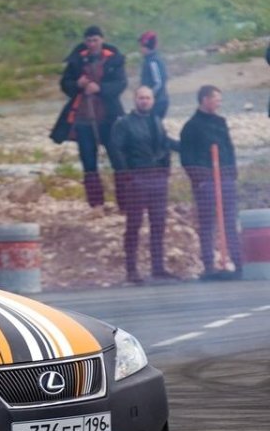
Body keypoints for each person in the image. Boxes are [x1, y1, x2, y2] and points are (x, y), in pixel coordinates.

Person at [51, 25, 127, 208]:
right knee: (89, 164)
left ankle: (125, 203)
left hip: (109, 118)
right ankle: (96, 205)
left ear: (102, 40)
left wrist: (100, 88)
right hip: (84, 118)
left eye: (95, 40)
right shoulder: (77, 60)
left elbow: (121, 84)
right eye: (89, 40)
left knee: (119, 161)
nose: (92, 43)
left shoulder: (114, 59)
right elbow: (65, 83)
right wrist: (78, 84)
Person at [111, 87, 177, 284]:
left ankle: (158, 267)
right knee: (134, 224)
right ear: (135, 100)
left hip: (157, 179)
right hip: (136, 178)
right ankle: (131, 269)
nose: (144, 101)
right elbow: (116, 150)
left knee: (158, 224)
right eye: (141, 98)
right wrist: (127, 175)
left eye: (148, 98)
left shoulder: (156, 121)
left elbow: (165, 146)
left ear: (153, 100)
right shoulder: (124, 123)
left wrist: (165, 170)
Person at [180, 85, 242, 280]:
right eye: (216, 99)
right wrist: (199, 179)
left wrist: (231, 174)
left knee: (230, 221)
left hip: (225, 180)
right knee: (207, 223)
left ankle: (238, 262)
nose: (219, 103)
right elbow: (186, 157)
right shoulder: (191, 126)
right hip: (205, 182)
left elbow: (229, 149)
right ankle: (209, 265)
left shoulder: (221, 122)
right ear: (205, 100)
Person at [138, 31, 169, 120]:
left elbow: (158, 83)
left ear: (145, 46)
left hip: (157, 102)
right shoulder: (151, 60)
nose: (140, 49)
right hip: (157, 101)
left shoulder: (152, 61)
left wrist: (147, 96)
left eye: (141, 46)